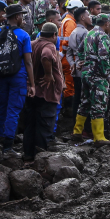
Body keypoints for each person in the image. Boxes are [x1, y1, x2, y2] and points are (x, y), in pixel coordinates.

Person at [0, 3, 35, 156]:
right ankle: (8, 146)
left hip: (0, 77)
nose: (22, 18)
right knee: (13, 111)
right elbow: (28, 61)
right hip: (18, 77)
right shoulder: (24, 35)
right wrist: (32, 84)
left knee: (0, 110)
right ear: (16, 17)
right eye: (21, 15)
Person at [73, 14, 110, 147]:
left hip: (85, 73)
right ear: (107, 23)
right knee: (99, 104)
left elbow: (79, 51)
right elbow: (103, 56)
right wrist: (105, 73)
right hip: (97, 75)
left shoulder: (89, 33)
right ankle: (99, 137)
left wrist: (82, 62)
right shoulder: (103, 36)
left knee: (84, 102)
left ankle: (77, 132)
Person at [25, 22, 65, 159]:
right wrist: (48, 74)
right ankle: (41, 157)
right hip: (46, 93)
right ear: (54, 35)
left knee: (30, 125)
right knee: (44, 126)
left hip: (32, 91)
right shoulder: (49, 46)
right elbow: (46, 56)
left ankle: (28, 155)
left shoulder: (31, 43)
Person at [65, 7, 92, 131]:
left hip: (76, 70)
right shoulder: (85, 33)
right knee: (85, 99)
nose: (90, 17)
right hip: (85, 71)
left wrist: (73, 64)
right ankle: (84, 128)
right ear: (82, 17)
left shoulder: (73, 32)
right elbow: (88, 53)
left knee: (77, 98)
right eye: (88, 15)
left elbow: (69, 53)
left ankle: (75, 125)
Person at [58, 0, 82, 118]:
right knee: (70, 84)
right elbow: (68, 41)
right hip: (68, 58)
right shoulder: (71, 22)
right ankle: (68, 110)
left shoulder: (65, 20)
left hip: (64, 56)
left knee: (67, 83)